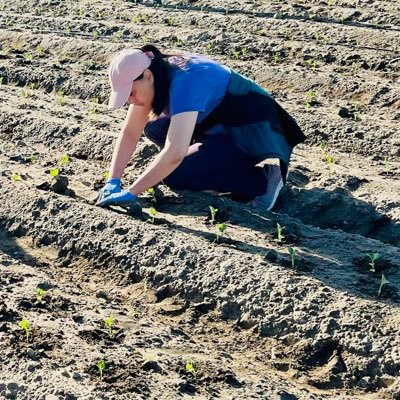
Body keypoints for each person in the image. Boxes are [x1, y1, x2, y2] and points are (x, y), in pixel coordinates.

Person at [96, 45, 306, 210]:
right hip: (219, 123)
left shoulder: (186, 82)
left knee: (175, 174)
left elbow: (174, 152)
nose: (130, 101)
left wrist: (132, 192)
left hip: (250, 129)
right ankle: (207, 164)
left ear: (147, 77)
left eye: (131, 93)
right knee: (154, 127)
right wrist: (112, 180)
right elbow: (130, 133)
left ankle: (263, 180)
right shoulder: (155, 74)